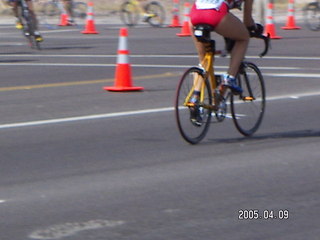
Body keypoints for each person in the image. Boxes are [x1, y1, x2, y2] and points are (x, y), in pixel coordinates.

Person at [188, 0, 257, 125]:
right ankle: (229, 78)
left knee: (204, 61)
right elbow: (248, 21)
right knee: (244, 38)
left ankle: (195, 98)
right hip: (215, 12)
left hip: (195, 15)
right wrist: (254, 28)